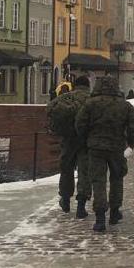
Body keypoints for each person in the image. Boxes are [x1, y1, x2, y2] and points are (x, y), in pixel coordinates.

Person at [75, 75, 134, 232]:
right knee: (116, 178)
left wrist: (86, 140)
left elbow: (80, 124)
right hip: (117, 148)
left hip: (96, 148)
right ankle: (114, 212)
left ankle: (100, 218)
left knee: (98, 181)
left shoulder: (90, 104)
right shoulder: (125, 106)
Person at [46, 75, 93, 217]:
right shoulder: (92, 99)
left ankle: (65, 199)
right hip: (86, 140)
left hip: (68, 139)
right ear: (88, 86)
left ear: (75, 85)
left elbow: (49, 107)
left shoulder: (66, 97)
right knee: (85, 171)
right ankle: (81, 204)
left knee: (66, 169)